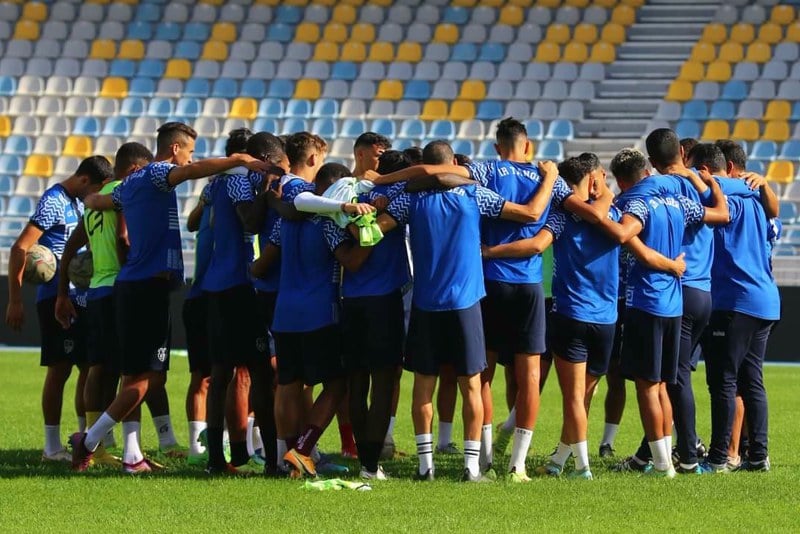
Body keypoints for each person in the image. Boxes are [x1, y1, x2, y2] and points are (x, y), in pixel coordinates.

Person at [69, 122, 271, 471]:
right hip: (147, 286)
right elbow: (191, 171)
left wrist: (85, 197)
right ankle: (88, 441)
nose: (189, 157)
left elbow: (98, 200)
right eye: (188, 149)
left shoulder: (129, 183)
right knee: (149, 377)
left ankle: (131, 455)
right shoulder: (158, 172)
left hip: (131, 285)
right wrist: (236, 159)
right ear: (175, 149)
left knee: (136, 375)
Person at [372, 156, 566, 482]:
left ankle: (426, 467)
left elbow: (376, 230)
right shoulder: (475, 194)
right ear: (451, 163)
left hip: (425, 302)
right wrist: (549, 180)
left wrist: (372, 204)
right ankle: (472, 467)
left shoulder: (411, 199)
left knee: (423, 386)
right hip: (466, 302)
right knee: (472, 384)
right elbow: (528, 213)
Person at [594, 147, 729, 478]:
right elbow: (720, 214)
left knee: (647, 386)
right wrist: (707, 185)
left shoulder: (634, 201)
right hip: (673, 303)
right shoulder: (674, 199)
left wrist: (603, 212)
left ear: (622, 180)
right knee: (664, 384)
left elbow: (624, 233)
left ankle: (663, 464)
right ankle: (666, 458)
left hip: (647, 300)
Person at [56, 144, 155, 470]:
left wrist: (62, 293)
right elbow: (124, 239)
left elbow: (71, 246)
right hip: (119, 290)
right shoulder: (126, 192)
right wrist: (132, 273)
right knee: (132, 370)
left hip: (97, 291)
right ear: (137, 169)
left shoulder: (94, 202)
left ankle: (92, 444)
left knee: (98, 368)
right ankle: (129, 452)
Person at [6, 156, 110, 462]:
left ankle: (85, 440)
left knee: (88, 367)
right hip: (56, 298)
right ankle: (51, 447)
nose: (94, 196)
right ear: (84, 180)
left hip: (81, 295)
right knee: (60, 368)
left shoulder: (78, 204)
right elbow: (20, 247)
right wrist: (14, 298)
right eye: (94, 189)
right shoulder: (53, 201)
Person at [198, 128, 280, 475]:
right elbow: (250, 219)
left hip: (218, 284)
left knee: (223, 372)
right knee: (260, 371)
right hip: (240, 286)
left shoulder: (215, 183)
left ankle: (218, 458)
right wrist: (265, 194)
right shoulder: (238, 182)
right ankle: (271, 460)